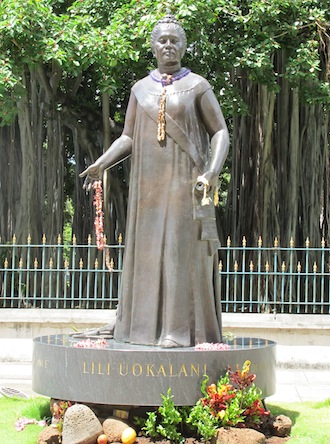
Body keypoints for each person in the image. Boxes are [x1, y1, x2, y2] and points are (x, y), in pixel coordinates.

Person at [80, 14, 229, 348]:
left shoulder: (198, 86)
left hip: (186, 185)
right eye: (162, 40)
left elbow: (220, 131)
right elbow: (128, 137)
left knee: (179, 253)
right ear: (152, 46)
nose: (168, 46)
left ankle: (178, 333)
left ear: (185, 46)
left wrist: (211, 171)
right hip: (148, 188)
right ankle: (139, 329)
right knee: (147, 255)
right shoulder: (140, 89)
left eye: (175, 40)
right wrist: (101, 164)